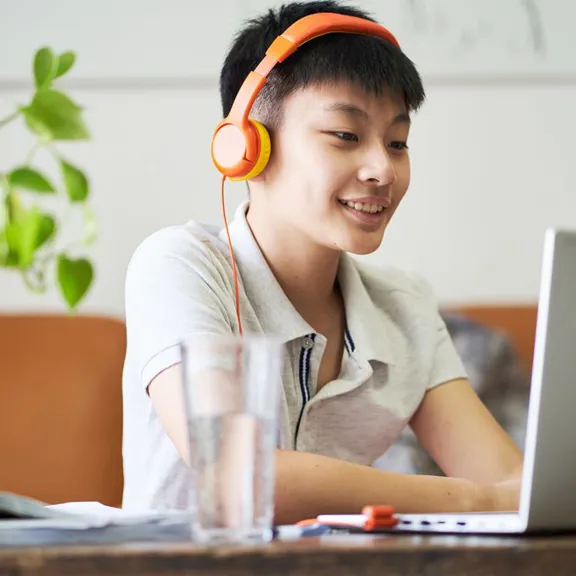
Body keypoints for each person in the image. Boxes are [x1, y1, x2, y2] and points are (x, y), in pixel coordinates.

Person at [121, 0, 523, 522]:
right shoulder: (180, 266)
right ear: (247, 146)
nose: (383, 168)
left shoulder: (404, 306)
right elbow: (235, 472)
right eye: (345, 136)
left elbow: (512, 485)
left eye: (398, 142)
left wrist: (494, 496)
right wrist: (473, 500)